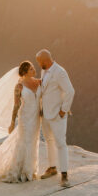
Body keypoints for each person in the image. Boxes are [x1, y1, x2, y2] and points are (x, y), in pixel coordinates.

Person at [36, 48, 75, 188]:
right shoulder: (44, 71)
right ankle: (52, 167)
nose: (38, 64)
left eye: (39, 62)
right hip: (46, 114)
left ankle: (64, 174)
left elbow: (70, 91)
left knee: (60, 143)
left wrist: (63, 111)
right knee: (49, 141)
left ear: (46, 60)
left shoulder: (60, 72)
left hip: (57, 115)